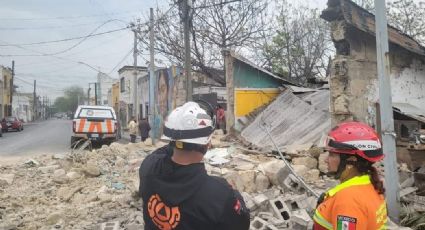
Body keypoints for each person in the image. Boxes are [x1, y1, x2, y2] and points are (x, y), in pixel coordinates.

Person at [139, 102, 250, 230]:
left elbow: (165, 150)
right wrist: (235, 195)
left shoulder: (148, 167)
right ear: (207, 144)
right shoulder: (220, 194)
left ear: (170, 139)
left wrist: (179, 139)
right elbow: (242, 224)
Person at [313, 121, 388, 230]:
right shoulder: (369, 185)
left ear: (351, 161)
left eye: (332, 154)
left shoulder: (349, 201)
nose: (326, 159)